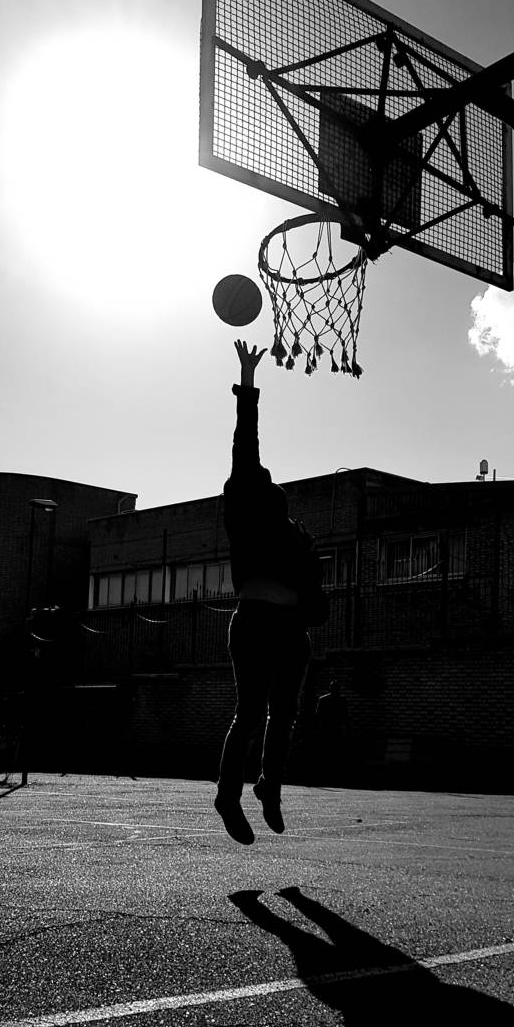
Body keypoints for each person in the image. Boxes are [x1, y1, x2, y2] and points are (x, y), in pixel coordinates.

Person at [214, 340, 328, 844]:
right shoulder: (246, 507)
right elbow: (246, 439)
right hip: (256, 621)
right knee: (251, 712)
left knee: (285, 714)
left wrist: (310, 583)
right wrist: (248, 382)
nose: (267, 477)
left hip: (291, 630)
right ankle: (227, 795)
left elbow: (316, 594)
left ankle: (270, 786)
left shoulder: (295, 534)